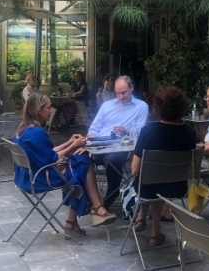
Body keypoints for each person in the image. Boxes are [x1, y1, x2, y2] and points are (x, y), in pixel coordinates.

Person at [14, 93, 116, 238]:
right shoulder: (37, 133)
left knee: (79, 165)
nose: (52, 110)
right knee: (82, 166)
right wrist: (74, 145)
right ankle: (95, 209)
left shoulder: (24, 129)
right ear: (38, 110)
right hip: (40, 178)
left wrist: (69, 142)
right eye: (49, 107)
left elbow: (48, 152)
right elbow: (53, 159)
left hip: (26, 176)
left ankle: (76, 220)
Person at [130, 86, 198, 247]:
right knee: (158, 181)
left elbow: (134, 170)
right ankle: (153, 232)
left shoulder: (147, 131)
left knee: (149, 180)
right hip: (177, 187)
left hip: (148, 187)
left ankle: (143, 220)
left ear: (158, 107)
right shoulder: (190, 133)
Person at [87, 75, 148, 209]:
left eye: (124, 93)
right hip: (100, 144)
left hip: (121, 146)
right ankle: (87, 199)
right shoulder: (107, 105)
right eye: (118, 93)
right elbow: (94, 128)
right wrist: (92, 142)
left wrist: (127, 131)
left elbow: (141, 133)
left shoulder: (141, 106)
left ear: (131, 88)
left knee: (113, 160)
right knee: (79, 157)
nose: (120, 96)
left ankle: (110, 197)